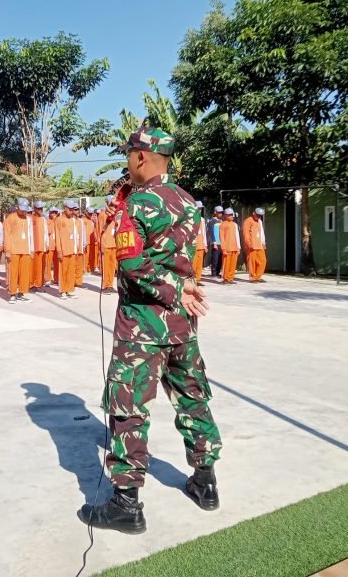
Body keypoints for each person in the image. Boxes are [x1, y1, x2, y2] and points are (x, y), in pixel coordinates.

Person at [79, 126, 221, 534]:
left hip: (142, 325)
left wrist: (174, 288)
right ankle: (205, 482)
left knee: (128, 408)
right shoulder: (188, 202)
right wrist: (182, 288)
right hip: (182, 324)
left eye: (129, 155)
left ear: (141, 157)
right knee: (193, 399)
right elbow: (182, 260)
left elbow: (132, 264)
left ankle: (126, 504)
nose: (127, 162)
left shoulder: (138, 204)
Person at [4, 199, 34, 304]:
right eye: (22, 209)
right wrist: (7, 250)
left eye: (25, 210)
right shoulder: (10, 218)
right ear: (17, 207)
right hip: (14, 250)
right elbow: (7, 234)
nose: (24, 211)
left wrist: (32, 249)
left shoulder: (28, 219)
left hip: (25, 250)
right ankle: (12, 294)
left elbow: (30, 235)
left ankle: (22, 293)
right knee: (13, 273)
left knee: (24, 273)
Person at [54, 199, 79, 300]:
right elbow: (57, 236)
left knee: (71, 272)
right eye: (70, 209)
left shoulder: (73, 220)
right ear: (64, 208)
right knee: (63, 272)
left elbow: (75, 235)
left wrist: (76, 249)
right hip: (63, 251)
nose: (72, 211)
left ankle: (69, 290)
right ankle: (63, 291)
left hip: (72, 250)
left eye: (73, 209)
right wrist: (59, 251)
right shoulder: (59, 220)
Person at [99, 195, 118, 294]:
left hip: (114, 244)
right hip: (106, 244)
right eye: (111, 203)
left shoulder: (116, 214)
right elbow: (99, 230)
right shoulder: (102, 215)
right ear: (107, 203)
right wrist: (101, 245)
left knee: (112, 266)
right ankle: (105, 286)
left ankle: (110, 285)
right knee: (106, 267)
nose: (113, 205)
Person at [243, 207, 267, 282]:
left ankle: (258, 276)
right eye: (257, 215)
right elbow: (246, 233)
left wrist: (263, 242)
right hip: (252, 245)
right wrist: (249, 243)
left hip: (259, 245)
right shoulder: (248, 221)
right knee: (252, 262)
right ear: (254, 213)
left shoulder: (259, 221)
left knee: (263, 260)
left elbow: (261, 233)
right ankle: (253, 277)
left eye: (260, 215)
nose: (258, 216)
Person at [30, 200, 49, 292]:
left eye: (41, 208)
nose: (40, 210)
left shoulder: (43, 220)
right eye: (38, 208)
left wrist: (47, 244)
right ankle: (31, 285)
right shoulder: (30, 218)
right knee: (32, 267)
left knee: (40, 267)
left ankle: (38, 284)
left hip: (41, 247)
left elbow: (45, 232)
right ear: (34, 208)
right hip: (33, 247)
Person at [219, 208, 240, 284]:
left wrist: (238, 247)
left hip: (234, 247)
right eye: (230, 215)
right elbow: (221, 237)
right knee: (226, 264)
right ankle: (225, 278)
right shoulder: (223, 224)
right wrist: (223, 248)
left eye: (232, 214)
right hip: (227, 248)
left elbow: (237, 236)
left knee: (233, 264)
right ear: (225, 215)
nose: (232, 216)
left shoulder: (235, 224)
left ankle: (230, 278)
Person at [192, 200, 207, 286]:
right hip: (193, 244)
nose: (199, 210)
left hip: (201, 244)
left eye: (200, 209)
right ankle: (192, 279)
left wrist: (205, 244)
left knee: (200, 263)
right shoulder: (191, 218)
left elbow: (204, 232)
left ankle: (198, 279)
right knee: (193, 262)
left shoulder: (202, 220)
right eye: (198, 208)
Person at [207, 206, 223, 278]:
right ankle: (213, 273)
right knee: (215, 259)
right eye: (219, 212)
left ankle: (218, 272)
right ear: (215, 212)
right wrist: (214, 242)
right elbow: (211, 232)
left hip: (221, 242)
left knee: (220, 259)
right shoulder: (211, 221)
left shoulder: (221, 221)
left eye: (221, 212)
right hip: (215, 242)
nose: (220, 214)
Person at [46, 206, 59, 285]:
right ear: (49, 213)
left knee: (57, 263)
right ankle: (48, 279)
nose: (54, 214)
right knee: (48, 263)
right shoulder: (47, 221)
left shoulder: (58, 221)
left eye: (55, 212)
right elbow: (47, 232)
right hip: (50, 246)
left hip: (57, 246)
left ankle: (56, 278)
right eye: (52, 212)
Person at [83, 207, 97, 274]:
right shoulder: (82, 220)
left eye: (91, 213)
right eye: (89, 213)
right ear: (86, 212)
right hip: (86, 241)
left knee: (92, 256)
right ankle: (85, 269)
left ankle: (91, 268)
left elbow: (95, 229)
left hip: (92, 241)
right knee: (86, 256)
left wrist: (95, 223)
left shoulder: (92, 221)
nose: (91, 215)